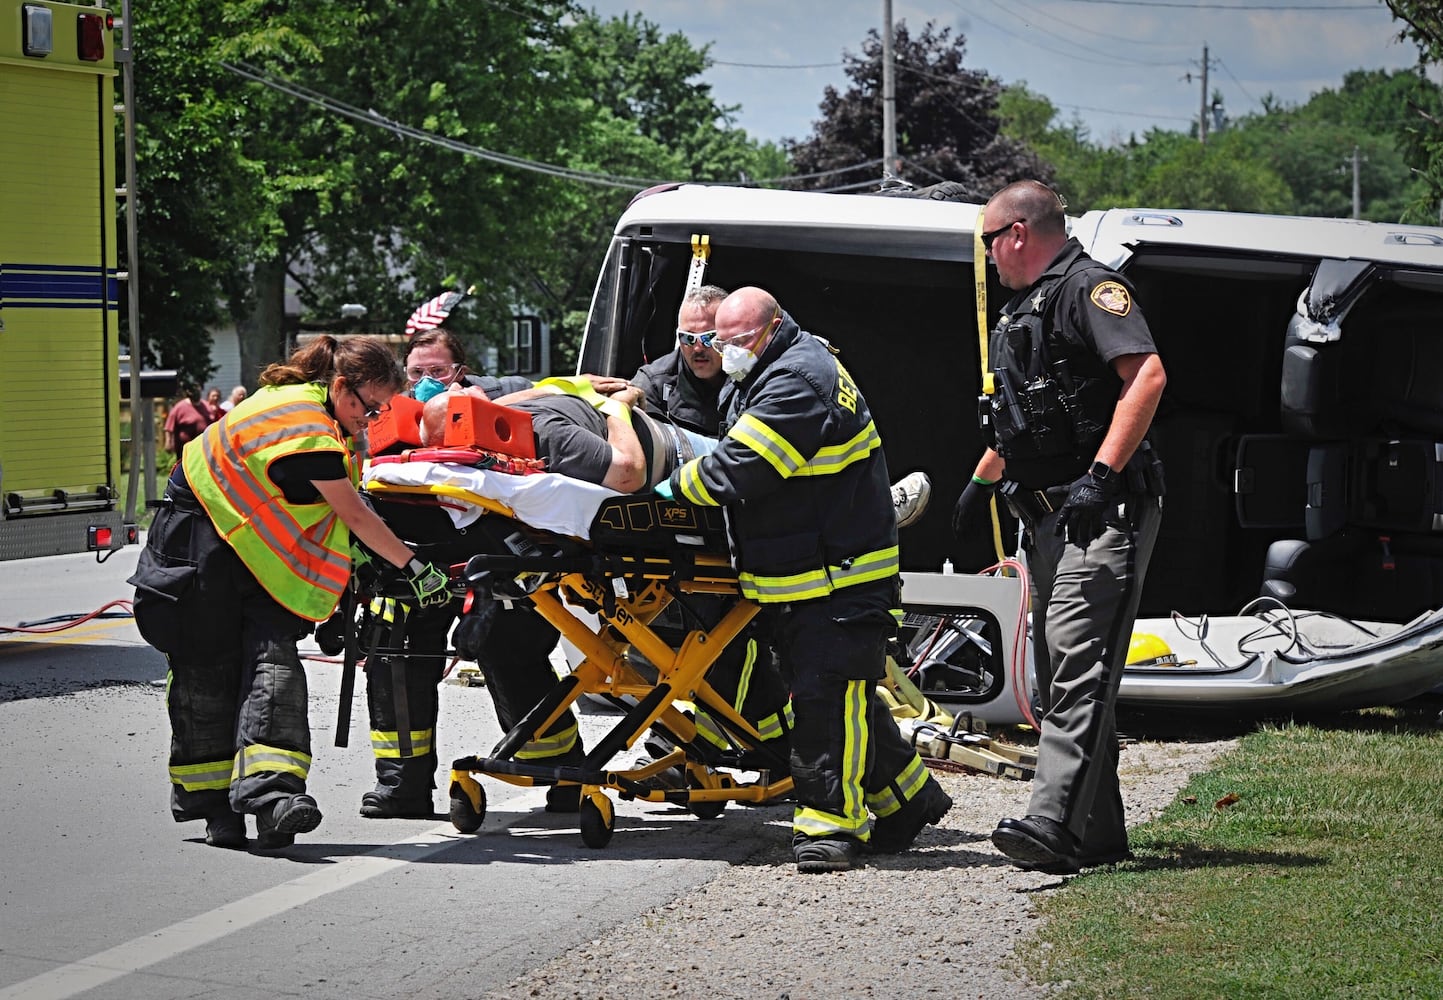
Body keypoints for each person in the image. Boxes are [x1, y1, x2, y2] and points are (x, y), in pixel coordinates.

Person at [662, 286, 953, 874]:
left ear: (772, 327)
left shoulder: (799, 379)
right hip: (807, 572)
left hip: (836, 577)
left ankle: (829, 829)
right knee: (840, 698)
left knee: (824, 701)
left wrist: (667, 489)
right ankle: (908, 798)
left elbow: (744, 464)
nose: (727, 352)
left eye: (737, 341)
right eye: (721, 341)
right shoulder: (774, 365)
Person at [128, 335, 451, 850]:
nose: (369, 421)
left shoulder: (303, 404)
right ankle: (216, 808)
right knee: (206, 672)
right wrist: (413, 566)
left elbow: (315, 509)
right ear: (342, 386)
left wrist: (363, 561)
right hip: (199, 546)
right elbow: (351, 512)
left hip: (249, 549)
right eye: (368, 409)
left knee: (273, 664)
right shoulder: (306, 426)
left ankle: (276, 799)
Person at [951, 180, 1167, 875]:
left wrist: (1100, 477)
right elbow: (1028, 417)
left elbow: (1147, 378)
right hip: (1045, 517)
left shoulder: (1088, 290)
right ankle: (1097, 834)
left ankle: (1050, 823)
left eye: (988, 240)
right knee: (1053, 679)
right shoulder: (1027, 307)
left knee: (1076, 669)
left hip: (1101, 513)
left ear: (1016, 232)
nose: (985, 256)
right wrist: (980, 481)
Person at [162, 385, 211, 455]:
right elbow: (169, 428)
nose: (195, 393)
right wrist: (168, 442)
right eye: (193, 391)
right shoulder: (179, 407)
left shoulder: (207, 406)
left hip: (203, 448)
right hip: (184, 450)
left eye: (197, 391)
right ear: (188, 393)